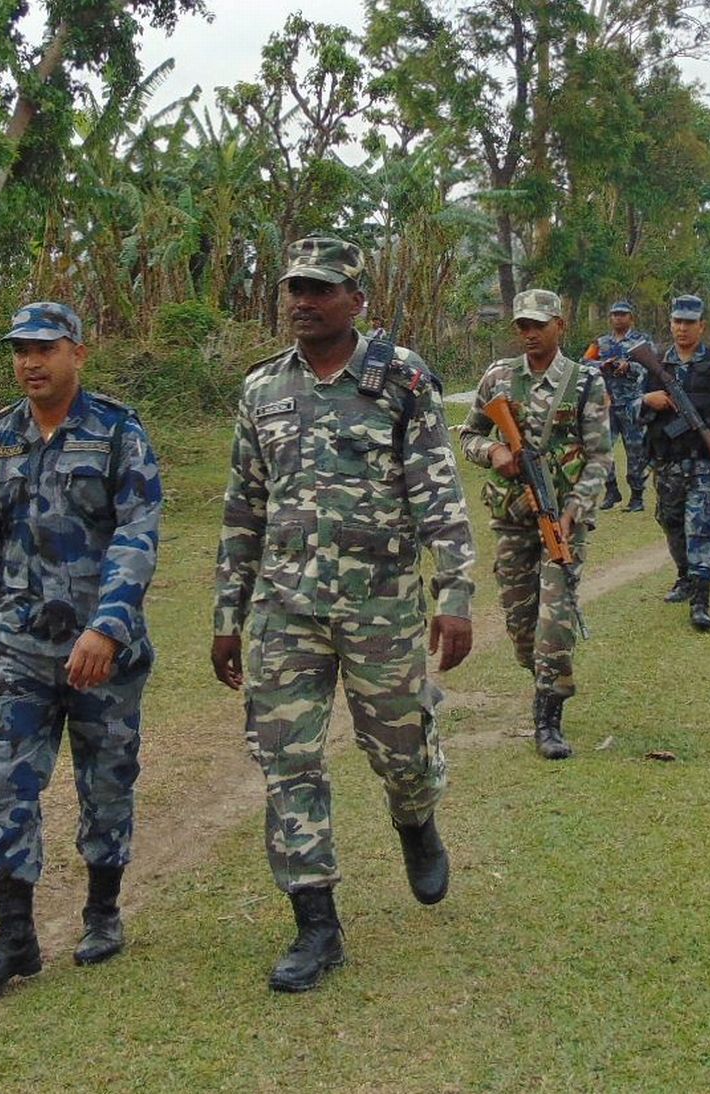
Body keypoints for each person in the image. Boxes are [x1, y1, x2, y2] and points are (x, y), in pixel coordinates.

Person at [211, 236, 476, 993]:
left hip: (380, 606)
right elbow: (243, 510)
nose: (303, 300)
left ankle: (416, 820)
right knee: (287, 759)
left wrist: (454, 594)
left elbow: (438, 491)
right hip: (284, 609)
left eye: (321, 289)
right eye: (295, 286)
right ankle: (316, 925)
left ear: (357, 301)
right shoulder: (261, 390)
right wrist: (227, 614)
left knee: (398, 751)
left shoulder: (401, 380)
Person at [0, 301, 162, 993]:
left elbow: (137, 535)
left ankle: (102, 911)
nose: (30, 363)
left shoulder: (116, 432)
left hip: (102, 651)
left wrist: (107, 627)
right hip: (18, 646)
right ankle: (15, 940)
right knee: (4, 781)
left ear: (78, 352)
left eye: (44, 348)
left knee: (105, 783)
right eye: (19, 350)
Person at [458, 288, 611, 759]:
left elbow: (600, 458)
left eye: (538, 325)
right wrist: (494, 452)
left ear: (560, 326)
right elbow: (468, 434)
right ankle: (542, 673)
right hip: (510, 519)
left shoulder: (585, 383)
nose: (528, 333)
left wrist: (571, 513)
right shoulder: (498, 378)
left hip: (563, 522)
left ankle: (548, 719)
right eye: (522, 325)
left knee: (554, 623)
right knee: (523, 629)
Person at [640, 294, 710, 631]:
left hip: (704, 463)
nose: (682, 328)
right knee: (671, 523)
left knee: (700, 529)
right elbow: (628, 409)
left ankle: (701, 601)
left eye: (689, 322)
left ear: (701, 326)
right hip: (668, 463)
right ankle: (685, 577)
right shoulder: (656, 364)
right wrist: (648, 399)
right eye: (677, 321)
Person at [591, 301, 651, 512]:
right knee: (602, 448)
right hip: (608, 402)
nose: (618, 318)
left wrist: (629, 366)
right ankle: (611, 490)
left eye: (622, 314)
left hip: (632, 404)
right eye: (615, 314)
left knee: (635, 451)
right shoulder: (601, 342)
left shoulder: (641, 341)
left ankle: (637, 496)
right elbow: (585, 362)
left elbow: (649, 367)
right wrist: (602, 365)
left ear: (631, 317)